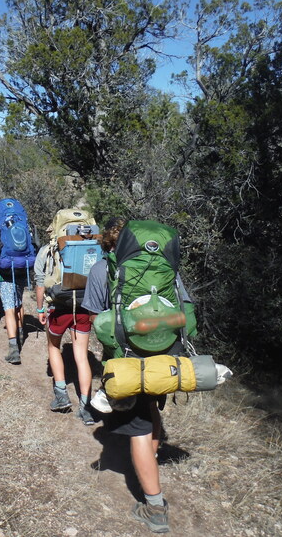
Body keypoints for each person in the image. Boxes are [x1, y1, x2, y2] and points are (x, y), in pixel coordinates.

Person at [82, 217, 194, 534]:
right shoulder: (163, 269)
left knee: (139, 429)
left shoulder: (102, 270)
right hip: (166, 354)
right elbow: (184, 308)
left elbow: (96, 321)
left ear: (110, 244)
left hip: (127, 362)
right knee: (150, 411)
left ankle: (155, 508)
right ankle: (150, 458)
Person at [33, 225, 96, 425]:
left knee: (53, 346)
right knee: (82, 357)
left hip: (59, 306)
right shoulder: (90, 245)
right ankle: (86, 407)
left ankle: (61, 395)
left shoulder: (49, 249)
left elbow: (40, 280)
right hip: (84, 304)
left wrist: (41, 309)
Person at [0, 224, 30, 364]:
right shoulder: (23, 228)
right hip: (22, 271)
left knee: (9, 309)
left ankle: (13, 349)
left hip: (3, 275)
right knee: (18, 304)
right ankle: (21, 333)